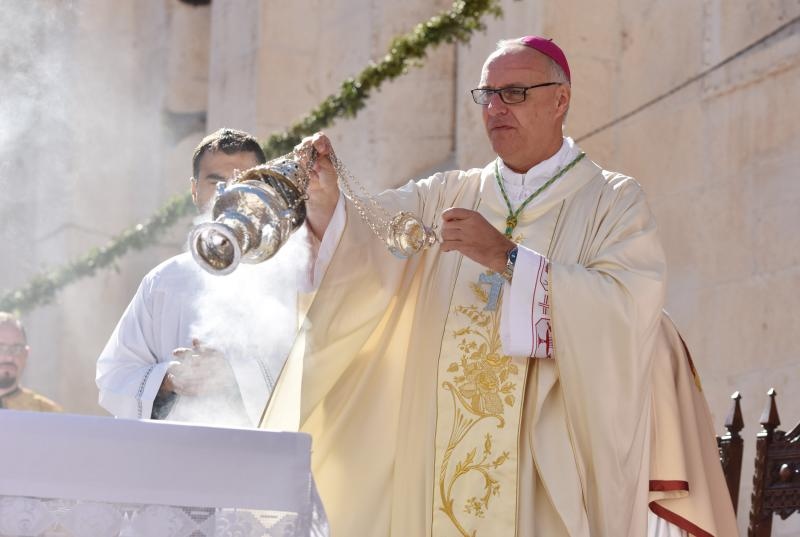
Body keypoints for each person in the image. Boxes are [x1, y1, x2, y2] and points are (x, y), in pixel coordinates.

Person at [270, 37, 738, 536]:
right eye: (486, 94)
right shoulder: (448, 193)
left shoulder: (611, 201)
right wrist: (326, 200)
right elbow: (366, 240)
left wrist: (509, 259)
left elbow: (629, 308)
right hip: (438, 460)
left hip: (547, 465)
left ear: (561, 99)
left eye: (513, 92)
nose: (495, 108)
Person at [96, 128, 274, 425]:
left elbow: (315, 369)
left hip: (257, 453)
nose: (226, 191)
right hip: (173, 456)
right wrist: (168, 379)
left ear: (262, 187)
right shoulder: (164, 280)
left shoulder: (286, 274)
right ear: (194, 190)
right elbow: (114, 375)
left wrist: (233, 376)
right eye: (214, 181)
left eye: (242, 180)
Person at [0, 311, 62, 412]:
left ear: (26, 354)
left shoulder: (48, 413)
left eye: (16, 348)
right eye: (1, 347)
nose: (9, 357)